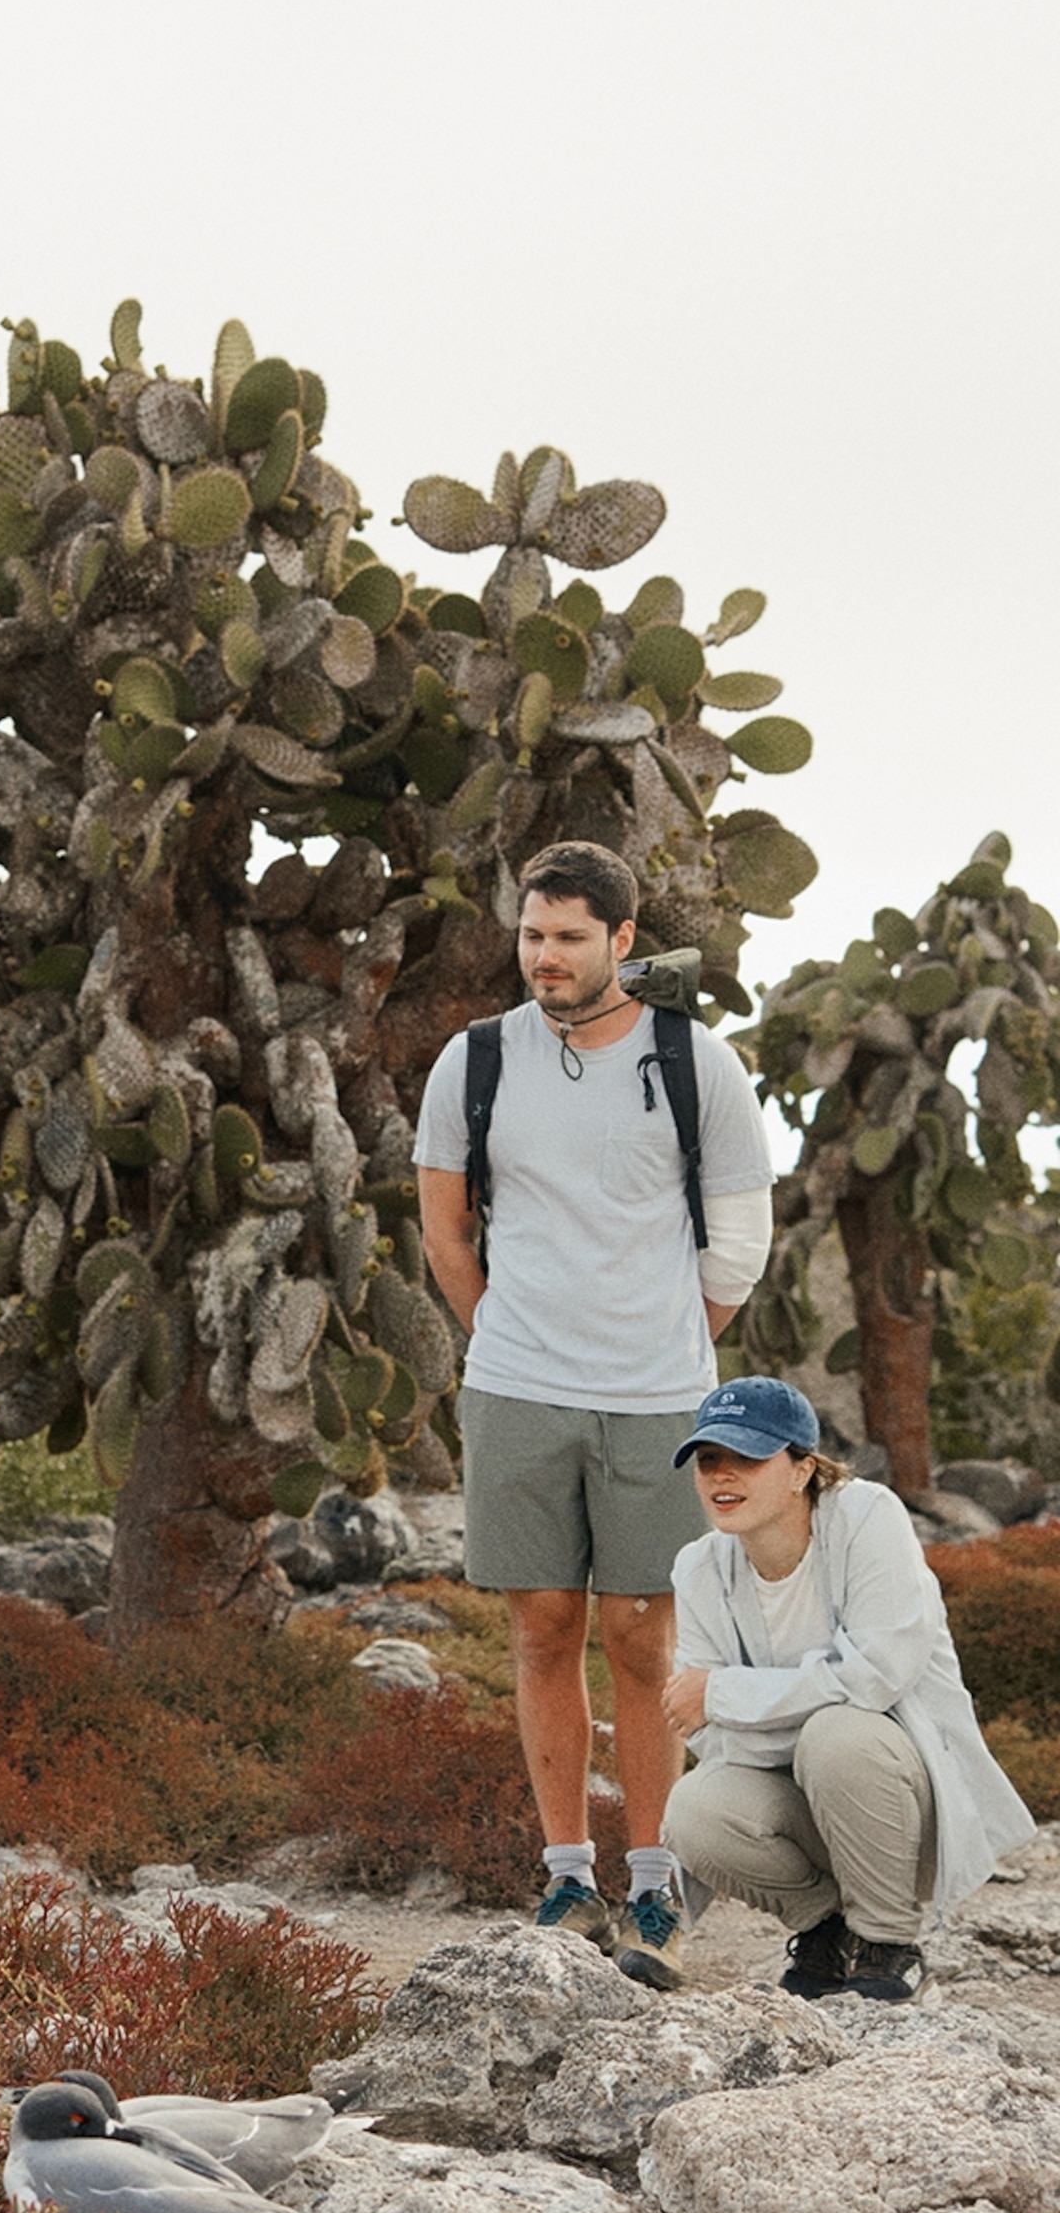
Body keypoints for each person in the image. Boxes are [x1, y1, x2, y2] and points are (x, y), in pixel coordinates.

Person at [416, 841, 774, 1990]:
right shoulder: (473, 1062)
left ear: (621, 941)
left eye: (569, 938)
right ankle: (567, 1874)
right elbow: (443, 1232)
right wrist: (501, 1336)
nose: (545, 958)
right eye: (531, 935)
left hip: (657, 1397)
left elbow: (739, 1243)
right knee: (537, 1628)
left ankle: (655, 1883)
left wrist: (670, 1341)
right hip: (517, 1386)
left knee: (640, 1636)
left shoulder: (692, 1062)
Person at [662, 1376, 1032, 2002]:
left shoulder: (868, 1518)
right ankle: (829, 1932)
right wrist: (756, 1712)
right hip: (810, 1805)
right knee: (694, 1810)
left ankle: (888, 1943)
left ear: (802, 1469)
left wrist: (725, 1694)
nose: (723, 1476)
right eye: (708, 1461)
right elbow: (717, 1741)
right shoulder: (698, 1568)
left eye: (748, 1457)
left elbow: (877, 1675)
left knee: (839, 1736)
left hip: (900, 1810)